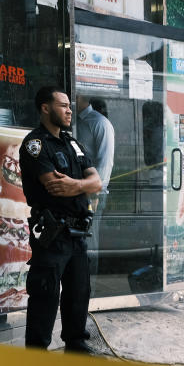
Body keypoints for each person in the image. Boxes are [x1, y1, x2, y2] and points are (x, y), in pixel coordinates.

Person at [19, 87, 102, 353]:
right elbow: (55, 185)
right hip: (53, 233)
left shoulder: (72, 143)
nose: (69, 110)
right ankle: (37, 353)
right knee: (45, 295)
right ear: (45, 108)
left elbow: (96, 181)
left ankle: (76, 344)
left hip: (78, 232)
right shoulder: (35, 144)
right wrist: (84, 185)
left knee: (78, 292)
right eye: (63, 105)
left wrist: (77, 184)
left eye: (70, 105)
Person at [76, 96, 115, 276]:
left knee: (89, 243)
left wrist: (95, 193)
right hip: (75, 190)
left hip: (92, 193)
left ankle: (88, 289)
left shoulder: (100, 123)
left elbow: (105, 163)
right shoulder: (73, 121)